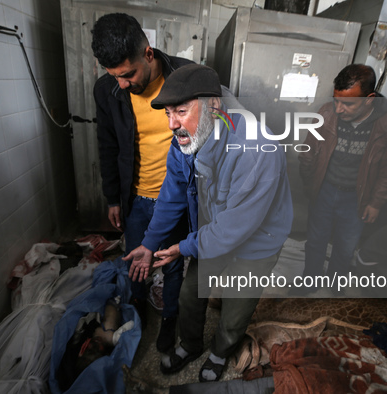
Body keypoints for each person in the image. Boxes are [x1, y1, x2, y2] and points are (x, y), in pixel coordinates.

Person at [123, 64, 293, 382]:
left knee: (235, 307)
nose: (172, 124)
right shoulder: (188, 136)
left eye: (181, 111)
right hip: (216, 230)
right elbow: (172, 194)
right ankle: (190, 345)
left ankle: (219, 352)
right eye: (168, 113)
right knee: (191, 292)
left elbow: (235, 227)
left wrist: (183, 246)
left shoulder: (255, 147)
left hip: (258, 238)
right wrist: (148, 243)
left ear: (213, 106)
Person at [91, 13, 192, 352]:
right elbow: (107, 145)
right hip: (134, 197)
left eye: (128, 74)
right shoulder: (107, 90)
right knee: (136, 259)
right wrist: (113, 199)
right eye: (114, 76)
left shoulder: (185, 76)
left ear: (148, 54)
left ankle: (170, 317)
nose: (122, 84)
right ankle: (137, 311)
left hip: (174, 199)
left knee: (170, 262)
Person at [298, 64, 387, 286]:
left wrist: (376, 203)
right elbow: (308, 153)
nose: (338, 109)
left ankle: (335, 284)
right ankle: (310, 282)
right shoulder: (326, 113)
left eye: (347, 103)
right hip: (324, 190)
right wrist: (312, 185)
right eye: (336, 100)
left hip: (357, 198)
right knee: (315, 241)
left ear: (369, 99)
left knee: (345, 247)